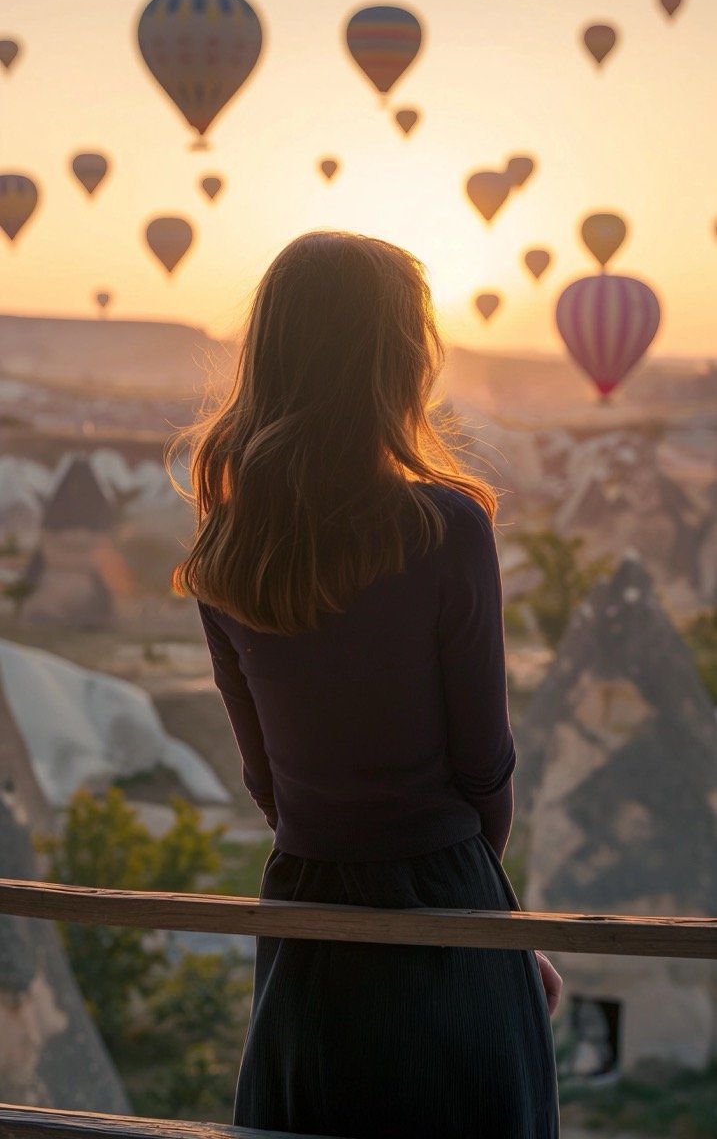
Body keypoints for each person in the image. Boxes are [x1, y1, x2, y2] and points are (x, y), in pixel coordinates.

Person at [169, 230, 562, 1138]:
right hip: (440, 888)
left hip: (305, 904)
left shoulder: (225, 546)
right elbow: (481, 767)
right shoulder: (444, 525)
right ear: (398, 358)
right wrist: (489, 921)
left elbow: (268, 783)